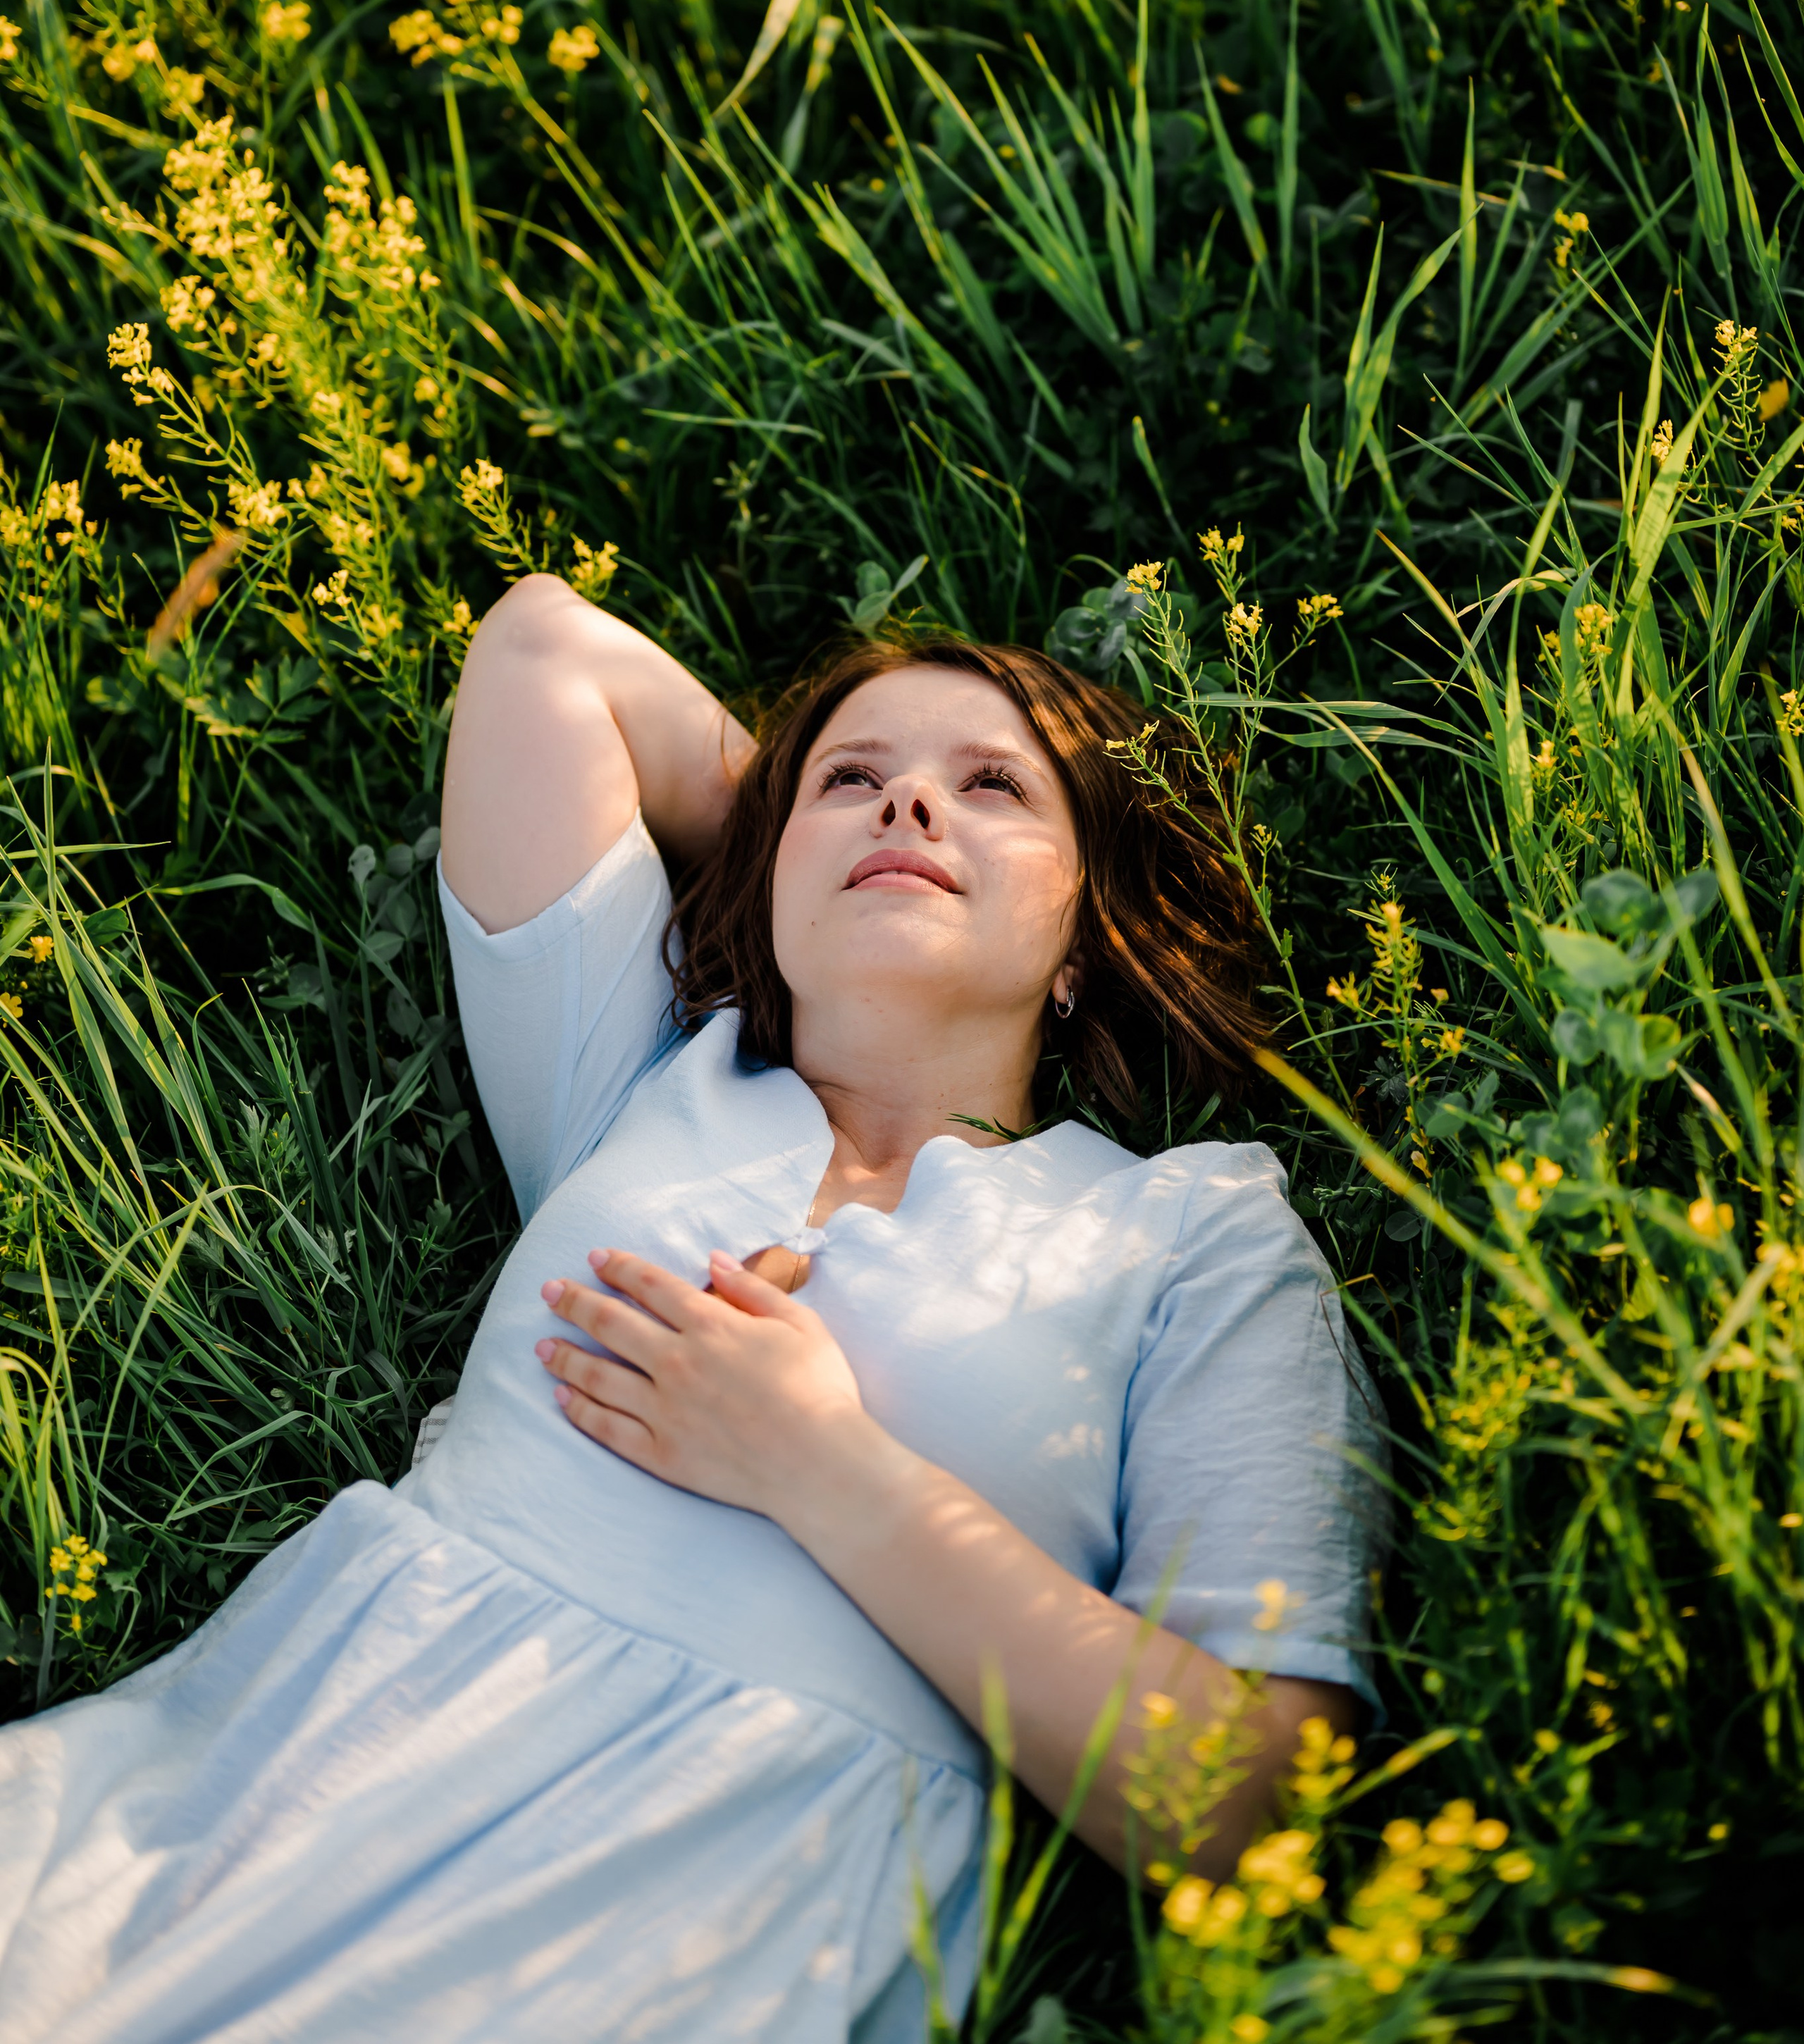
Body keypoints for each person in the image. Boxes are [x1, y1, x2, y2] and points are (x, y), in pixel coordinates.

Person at [0, 581, 1383, 2044]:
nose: (910, 798)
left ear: (1086, 938)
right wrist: (809, 848)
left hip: (692, 1909)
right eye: (853, 777)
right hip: (271, 1778)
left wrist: (824, 1468)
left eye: (994, 787)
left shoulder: (1191, 1234)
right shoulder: (649, 1081)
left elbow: (1247, 1802)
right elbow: (543, 649)